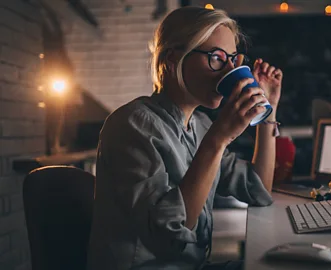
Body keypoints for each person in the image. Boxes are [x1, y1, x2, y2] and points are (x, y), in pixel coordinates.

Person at [87, 6, 283, 270]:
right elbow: (168, 238)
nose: (228, 70)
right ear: (172, 60)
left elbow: (259, 190)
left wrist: (267, 113)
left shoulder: (200, 124)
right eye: (216, 57)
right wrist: (218, 139)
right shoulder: (132, 124)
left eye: (234, 59)